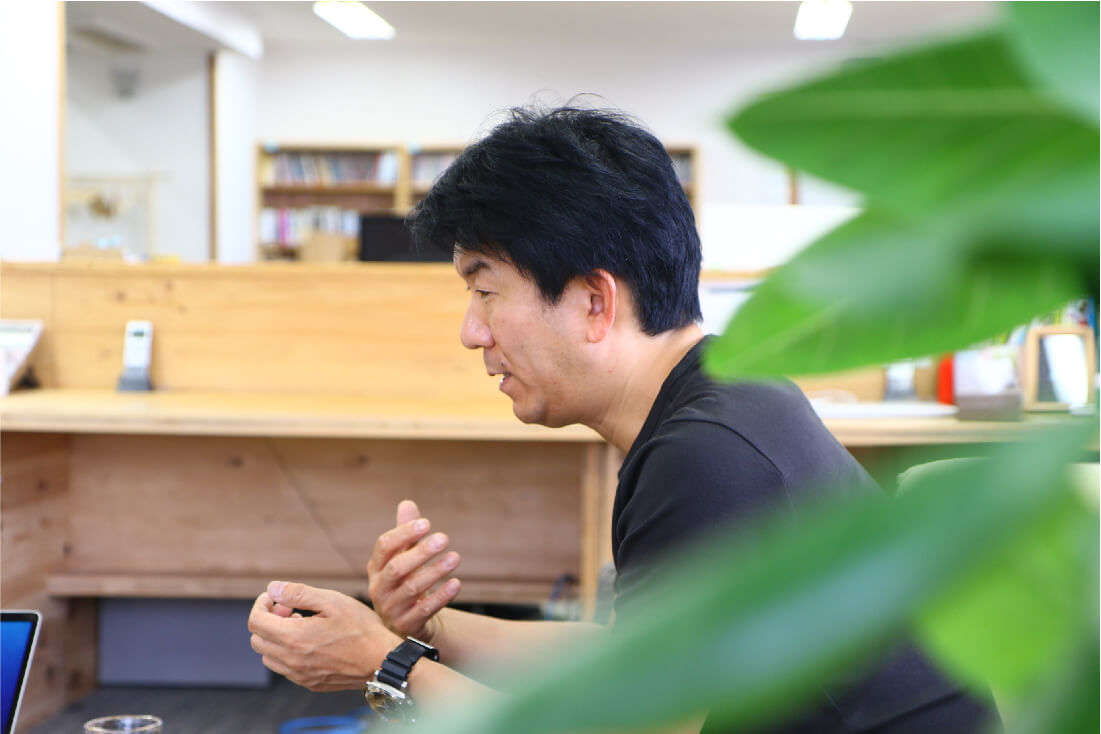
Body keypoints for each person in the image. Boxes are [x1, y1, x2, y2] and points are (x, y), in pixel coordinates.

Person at [248, 105, 996, 732]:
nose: (472, 332)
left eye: (486, 291)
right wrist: (428, 632)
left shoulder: (705, 456)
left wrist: (384, 667)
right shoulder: (727, 391)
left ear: (594, 302)